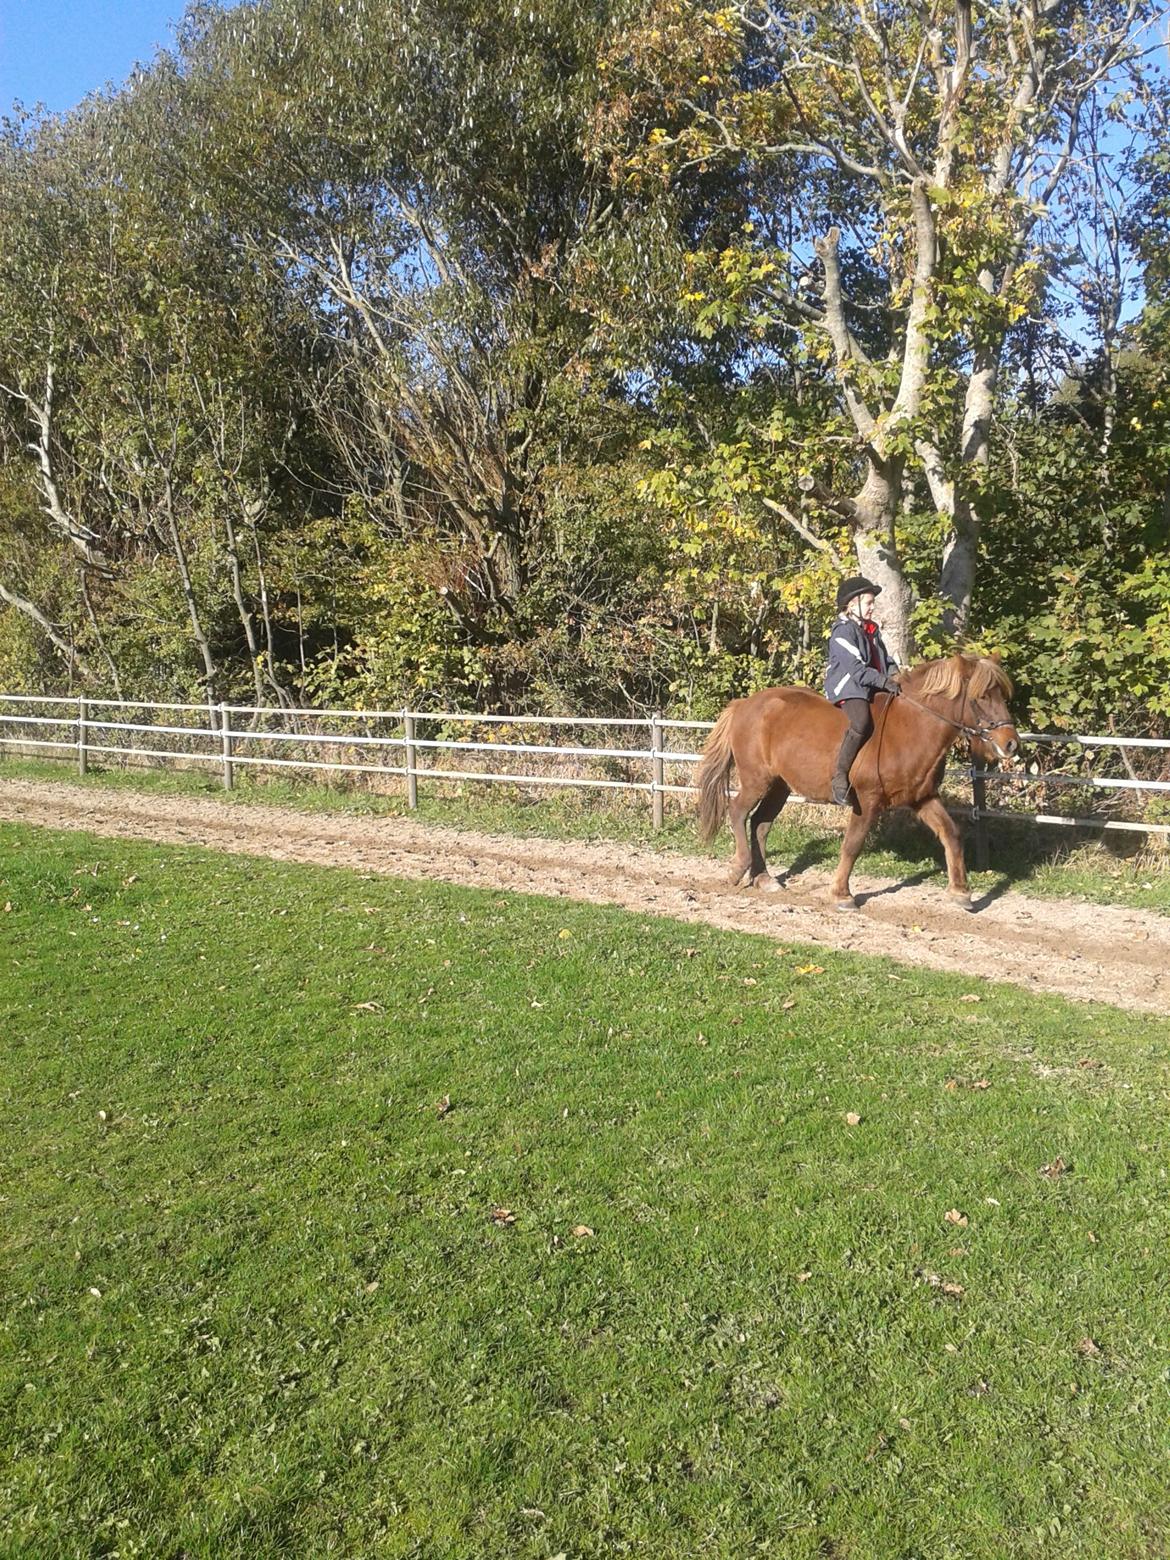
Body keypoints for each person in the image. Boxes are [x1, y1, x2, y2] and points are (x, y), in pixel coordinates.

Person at [824, 575, 901, 805]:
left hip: (872, 683)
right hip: (849, 686)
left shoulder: (871, 629)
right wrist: (885, 682)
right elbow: (857, 671)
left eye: (872, 602)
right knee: (861, 721)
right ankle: (839, 777)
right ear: (852, 605)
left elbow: (884, 659)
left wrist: (896, 676)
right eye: (868, 602)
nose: (872, 607)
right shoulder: (842, 632)